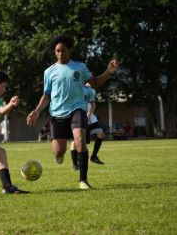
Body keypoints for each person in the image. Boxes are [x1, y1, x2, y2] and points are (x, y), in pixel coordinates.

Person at [26, 34, 119, 190]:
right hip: (57, 114)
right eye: (57, 51)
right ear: (55, 52)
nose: (60, 53)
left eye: (63, 50)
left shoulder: (80, 67)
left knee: (80, 141)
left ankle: (83, 180)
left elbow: (95, 83)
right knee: (58, 151)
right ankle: (60, 155)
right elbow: (47, 94)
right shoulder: (49, 71)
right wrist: (36, 111)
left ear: (69, 50)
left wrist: (108, 72)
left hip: (77, 109)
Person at [70, 83, 105, 171]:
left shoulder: (90, 90)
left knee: (100, 134)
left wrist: (89, 115)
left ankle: (93, 156)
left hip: (91, 118)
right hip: (79, 117)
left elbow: (93, 105)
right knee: (76, 141)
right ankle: (75, 164)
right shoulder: (73, 88)